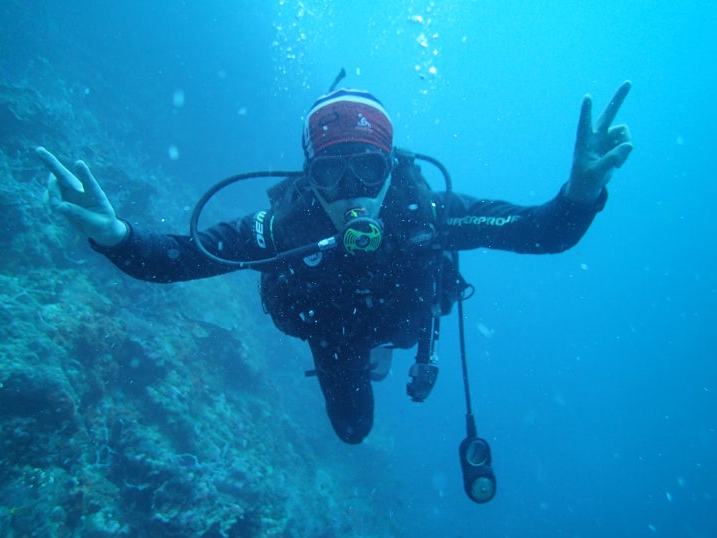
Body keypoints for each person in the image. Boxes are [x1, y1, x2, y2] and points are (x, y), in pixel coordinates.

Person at [37, 83, 633, 445]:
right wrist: (116, 236)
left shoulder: (427, 212)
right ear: (308, 176)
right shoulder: (282, 227)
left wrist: (578, 197)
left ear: (392, 167)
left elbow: (540, 232)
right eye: (330, 174)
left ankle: (382, 348)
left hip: (401, 320)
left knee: (384, 350)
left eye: (368, 171)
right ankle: (365, 354)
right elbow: (175, 259)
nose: (351, 193)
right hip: (332, 334)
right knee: (354, 433)